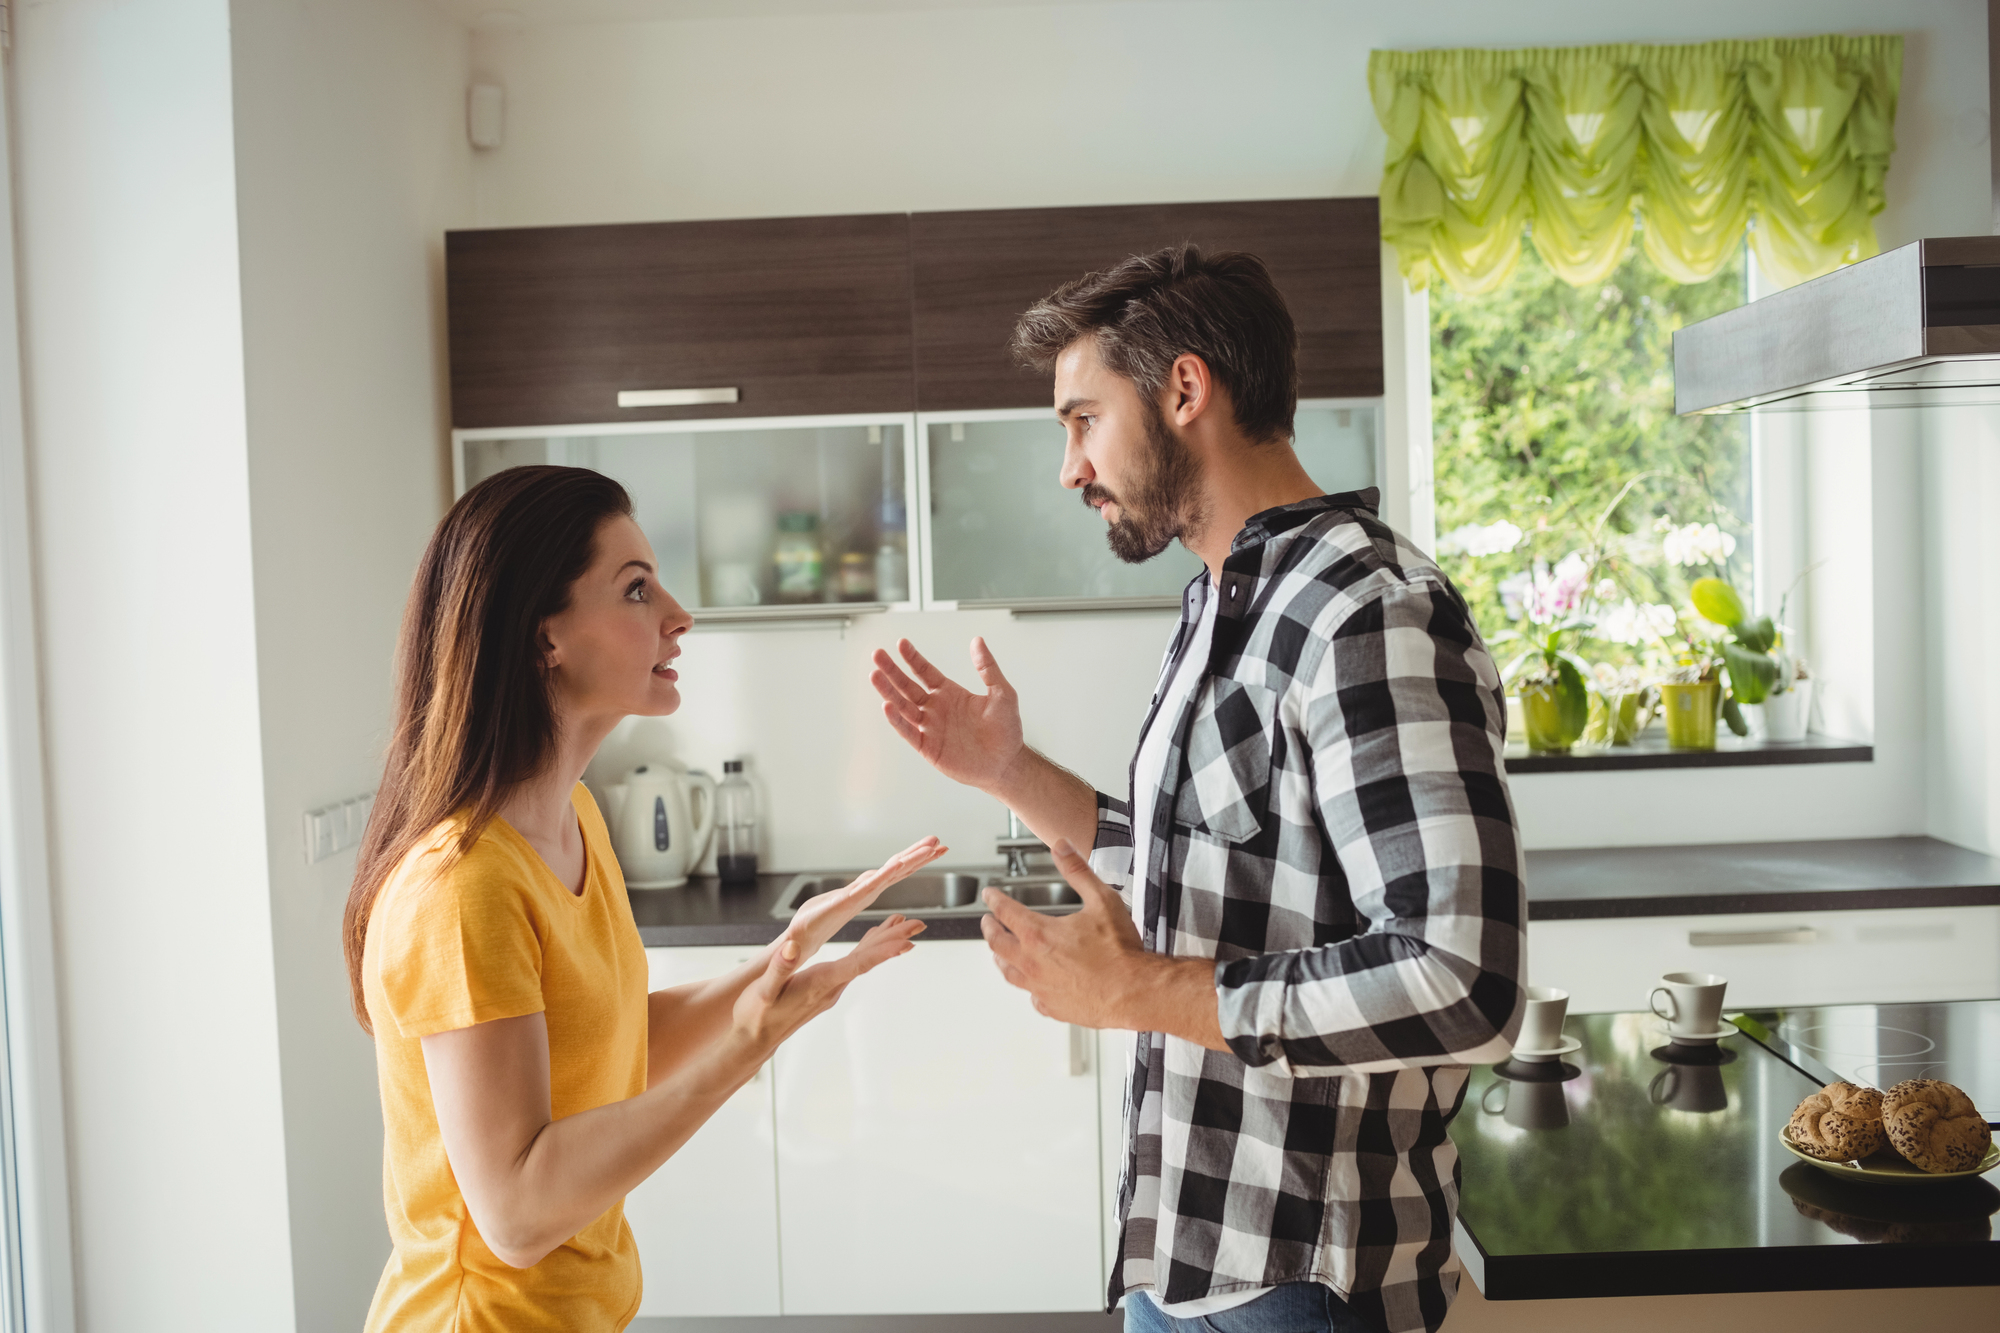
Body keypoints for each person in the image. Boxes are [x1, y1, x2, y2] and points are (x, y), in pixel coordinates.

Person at [869, 246, 1525, 1333]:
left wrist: (1136, 995)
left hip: (1305, 1279)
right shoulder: (1221, 602)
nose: (1068, 468)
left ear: (1183, 389)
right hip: (1176, 1250)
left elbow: (1460, 977)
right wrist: (1009, 773)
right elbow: (1207, 872)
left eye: (1082, 420)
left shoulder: (1367, 614)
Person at [344, 465, 945, 1331]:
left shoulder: (575, 819)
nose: (678, 614)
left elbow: (613, 1043)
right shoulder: (463, 885)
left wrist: (783, 960)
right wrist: (745, 1050)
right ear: (544, 635)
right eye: (636, 589)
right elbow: (515, 1214)